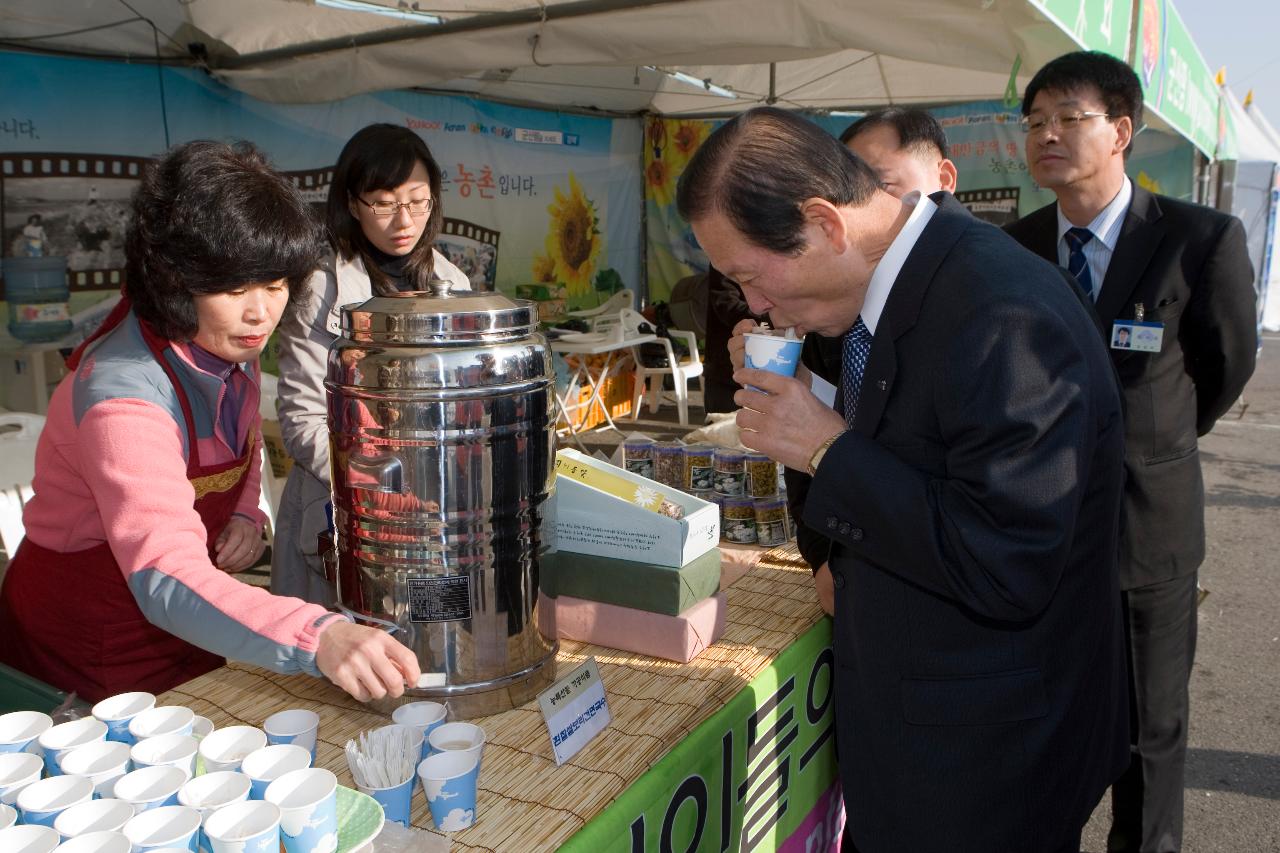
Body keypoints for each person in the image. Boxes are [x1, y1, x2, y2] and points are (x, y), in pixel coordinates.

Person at [679, 107, 1128, 853]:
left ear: (825, 222)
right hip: (910, 731)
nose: (754, 304)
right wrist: (808, 410)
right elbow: (912, 449)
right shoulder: (880, 298)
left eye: (749, 276)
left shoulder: (1003, 310)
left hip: (986, 765)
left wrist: (828, 448)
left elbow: (1008, 560)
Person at [0, 141, 420, 704]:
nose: (260, 313)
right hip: (92, 632)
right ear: (176, 279)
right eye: (233, 287)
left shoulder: (224, 346)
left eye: (275, 286)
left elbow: (241, 442)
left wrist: (245, 510)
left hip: (193, 613)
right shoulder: (122, 398)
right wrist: (317, 634)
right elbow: (162, 572)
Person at [1005, 51, 1258, 853]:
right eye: (1034, 120)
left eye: (1066, 118)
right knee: (1045, 730)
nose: (1046, 134)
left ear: (1121, 130)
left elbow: (1222, 369)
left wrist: (1148, 442)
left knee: (1149, 737)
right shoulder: (1014, 247)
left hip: (1147, 537)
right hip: (1036, 538)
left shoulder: (1199, 238)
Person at [273, 124, 470, 606]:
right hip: (345, 505)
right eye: (383, 202)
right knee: (344, 651)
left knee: (429, 649)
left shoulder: (455, 282)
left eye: (418, 200)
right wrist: (383, 491)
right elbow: (305, 424)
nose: (404, 219)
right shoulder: (321, 289)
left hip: (436, 507)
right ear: (352, 203)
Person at [840, 107, 957, 197]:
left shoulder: (971, 229)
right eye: (850, 192)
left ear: (944, 179)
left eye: (882, 185)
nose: (858, 205)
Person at [702, 266, 762, 413]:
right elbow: (726, 304)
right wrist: (773, 316)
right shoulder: (725, 256)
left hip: (761, 371)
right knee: (720, 429)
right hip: (724, 371)